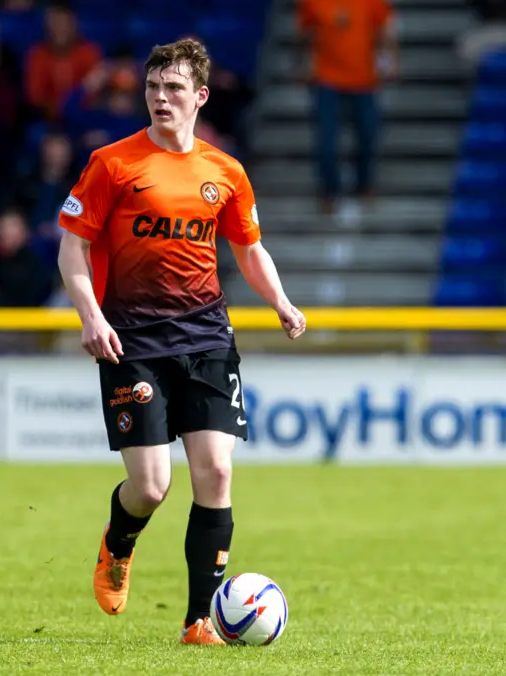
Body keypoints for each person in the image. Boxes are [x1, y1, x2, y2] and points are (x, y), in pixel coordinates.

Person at [57, 38, 306, 645]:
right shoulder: (112, 164)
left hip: (206, 336)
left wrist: (280, 301)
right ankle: (118, 544)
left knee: (216, 473)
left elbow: (247, 248)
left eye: (173, 89)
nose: (160, 98)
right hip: (131, 340)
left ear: (199, 96)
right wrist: (90, 316)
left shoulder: (225, 172)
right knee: (150, 487)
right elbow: (72, 248)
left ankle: (199, 621)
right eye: (152, 88)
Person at [296, 0, 399, 215]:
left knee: (368, 135)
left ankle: (364, 184)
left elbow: (385, 28)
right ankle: (329, 191)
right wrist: (300, 64)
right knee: (326, 141)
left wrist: (391, 59)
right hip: (326, 80)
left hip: (365, 80)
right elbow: (304, 34)